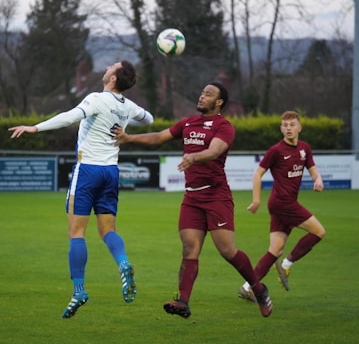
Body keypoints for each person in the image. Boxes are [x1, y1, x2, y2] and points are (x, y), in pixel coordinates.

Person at [112, 82, 273, 318]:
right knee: (189, 247)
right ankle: (183, 302)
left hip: (216, 196)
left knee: (227, 250)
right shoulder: (188, 122)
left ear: (219, 102)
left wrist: (194, 156)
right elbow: (159, 137)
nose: (202, 96)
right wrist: (129, 137)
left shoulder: (224, 126)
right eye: (202, 92)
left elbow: (215, 150)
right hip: (192, 197)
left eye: (208, 94)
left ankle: (259, 289)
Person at [8, 60, 153, 319]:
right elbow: (149, 119)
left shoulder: (97, 98)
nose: (107, 67)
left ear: (113, 79)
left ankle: (79, 291)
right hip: (111, 172)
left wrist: (35, 127)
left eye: (112, 66)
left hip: (87, 171)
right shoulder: (127, 106)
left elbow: (70, 117)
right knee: (108, 230)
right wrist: (127, 130)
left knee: (76, 233)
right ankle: (123, 263)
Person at [238, 110, 326, 302]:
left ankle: (247, 287)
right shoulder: (276, 151)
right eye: (285, 126)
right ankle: (286, 264)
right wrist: (256, 200)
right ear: (281, 128)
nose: (288, 129)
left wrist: (318, 179)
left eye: (292, 125)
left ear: (299, 127)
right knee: (319, 232)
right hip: (282, 203)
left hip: (283, 205)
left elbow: (313, 171)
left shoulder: (305, 149)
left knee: (275, 250)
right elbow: (257, 174)